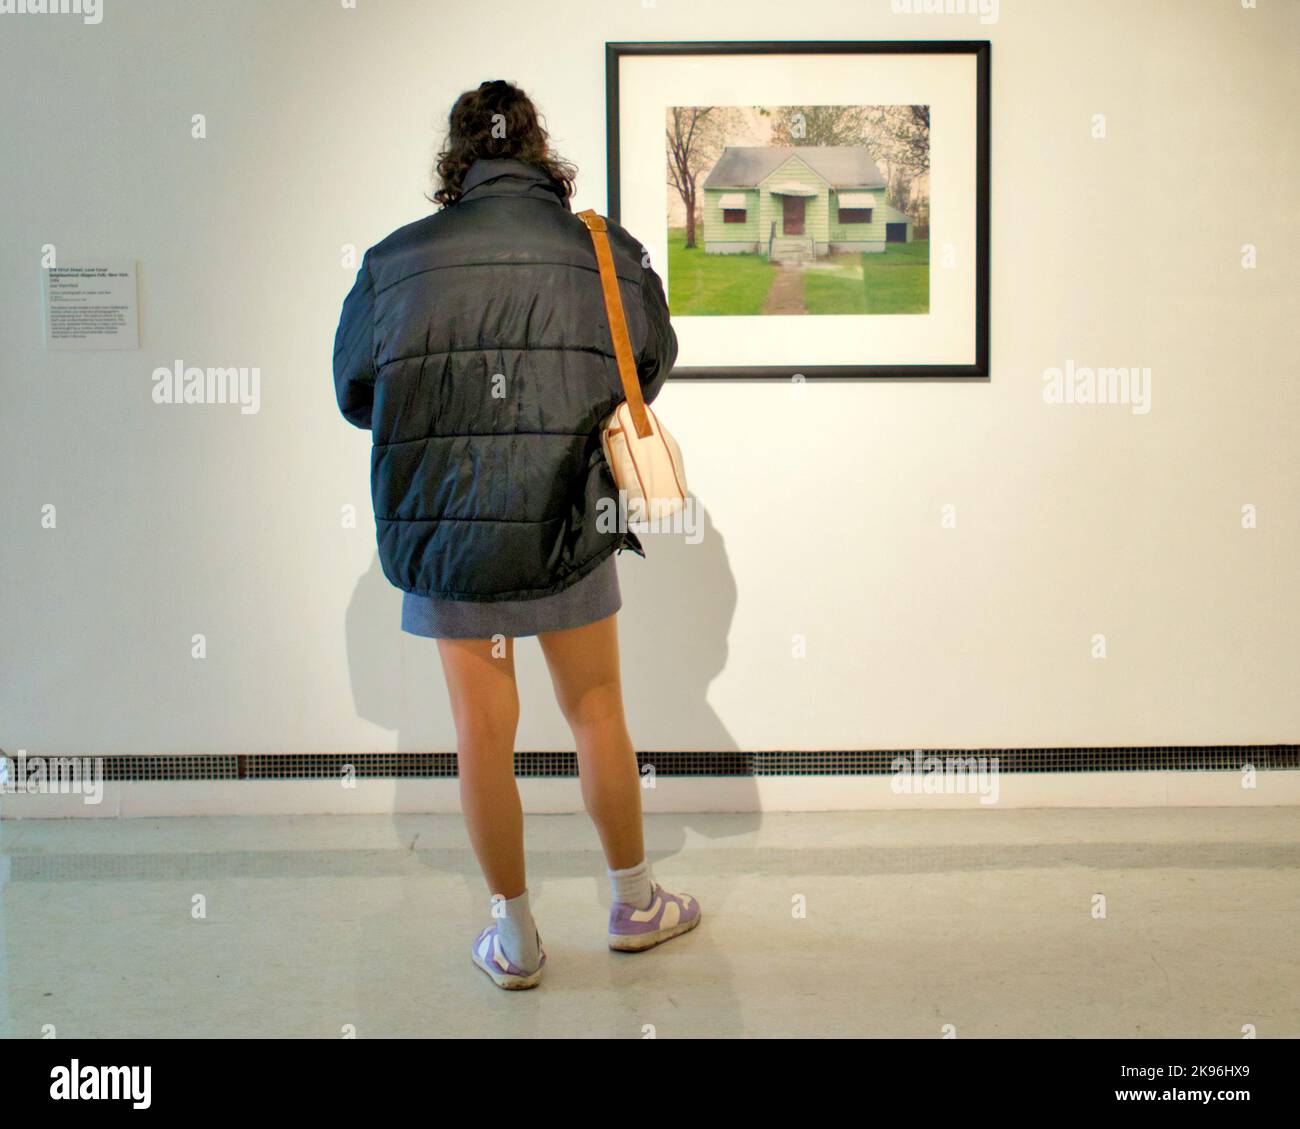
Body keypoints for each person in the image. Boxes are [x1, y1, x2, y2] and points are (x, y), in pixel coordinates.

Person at [332, 79, 699, 989]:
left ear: (456, 160)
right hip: (570, 514)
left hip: (452, 529)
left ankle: (518, 937)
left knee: (480, 734)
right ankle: (635, 902)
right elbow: (648, 364)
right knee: (598, 711)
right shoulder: (600, 251)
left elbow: (355, 391)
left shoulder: (394, 262)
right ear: (539, 151)